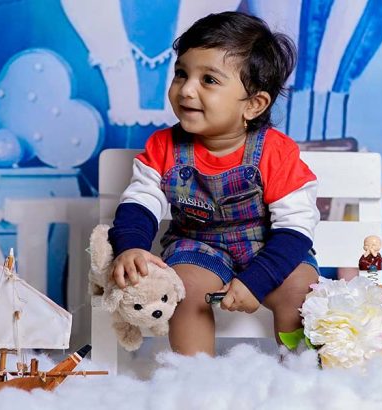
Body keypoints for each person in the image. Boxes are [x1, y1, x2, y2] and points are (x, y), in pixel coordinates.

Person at [107, 11, 319, 356]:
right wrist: (132, 246)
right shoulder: (164, 146)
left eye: (208, 80)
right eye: (181, 74)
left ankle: (302, 373)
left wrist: (257, 281)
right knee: (184, 288)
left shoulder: (276, 152)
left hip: (268, 247)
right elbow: (140, 202)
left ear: (253, 104)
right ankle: (195, 375)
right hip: (197, 246)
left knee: (300, 289)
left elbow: (295, 229)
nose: (187, 89)